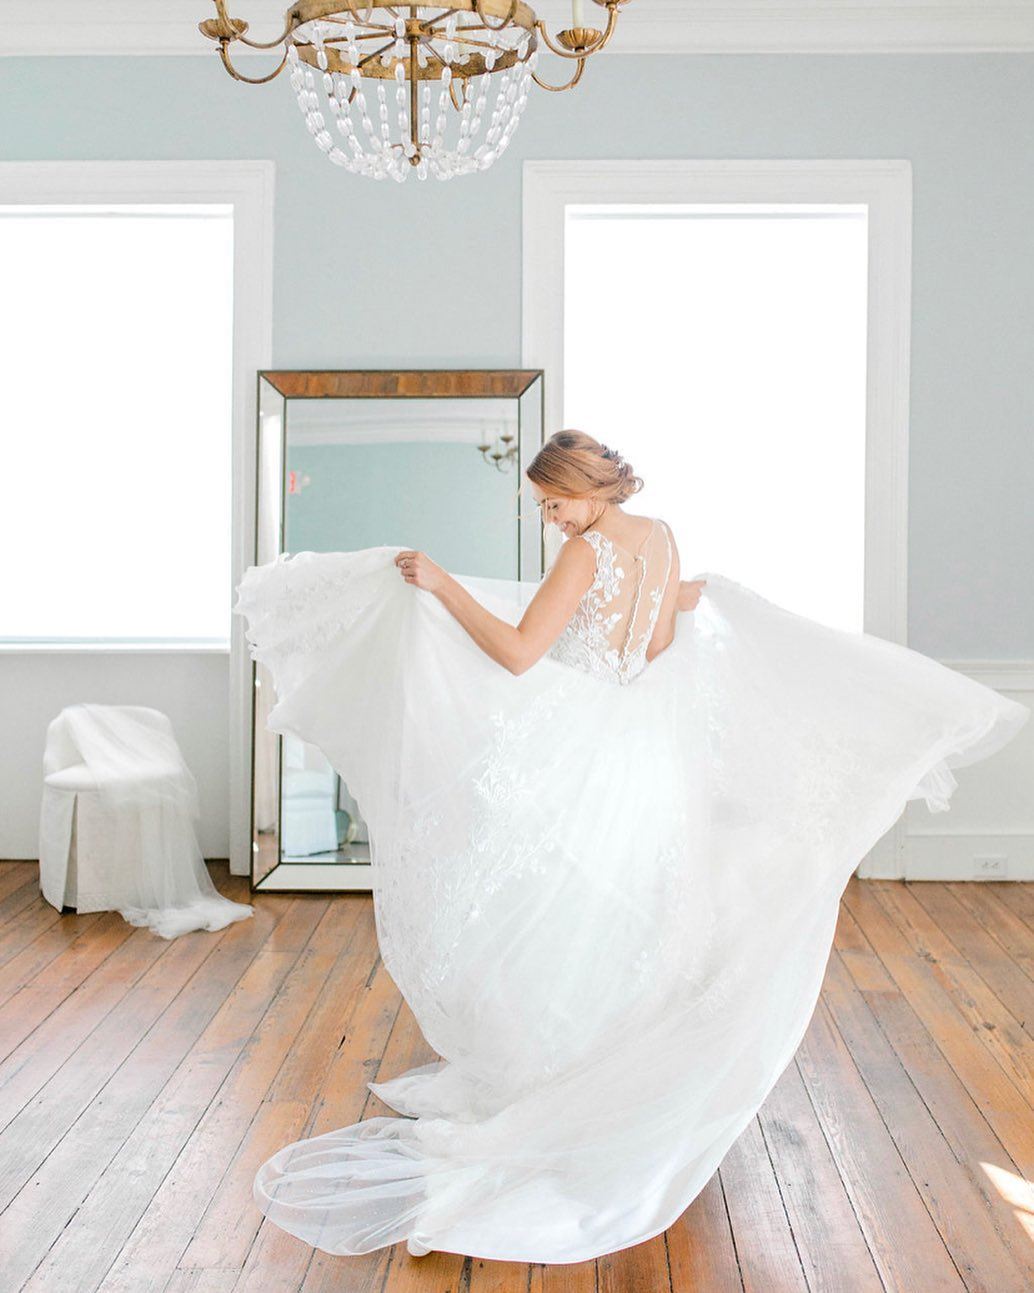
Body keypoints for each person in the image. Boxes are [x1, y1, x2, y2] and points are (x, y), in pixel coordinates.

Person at [233, 429, 1028, 1265]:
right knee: (615, 912)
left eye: (554, 502)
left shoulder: (586, 551)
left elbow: (514, 654)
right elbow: (653, 649)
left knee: (545, 906)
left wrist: (439, 587)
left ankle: (562, 1074)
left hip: (578, 739)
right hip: (641, 743)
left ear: (587, 490)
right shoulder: (661, 538)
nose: (550, 520)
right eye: (544, 506)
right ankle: (602, 1061)